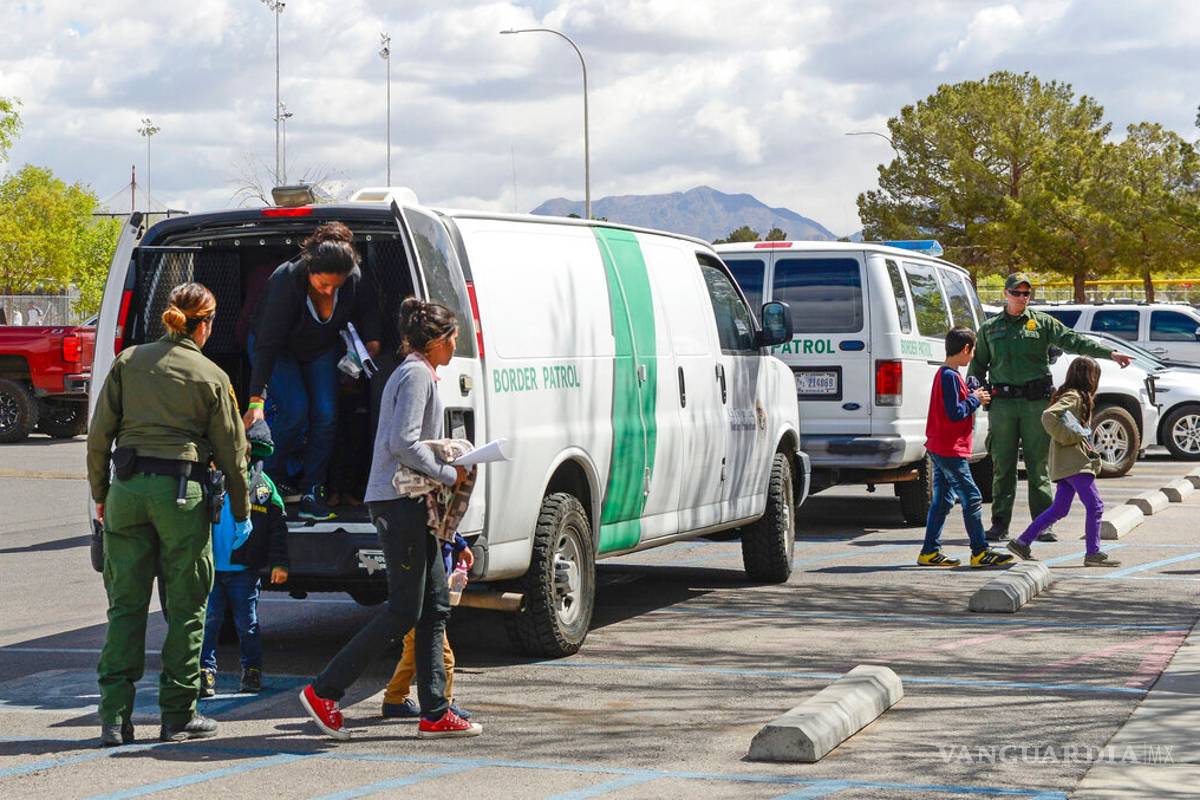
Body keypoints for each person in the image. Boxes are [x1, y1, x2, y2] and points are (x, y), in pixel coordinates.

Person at [299, 297, 482, 740]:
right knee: (404, 610)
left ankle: (435, 711)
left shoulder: (417, 373)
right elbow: (403, 443)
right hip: (401, 503)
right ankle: (324, 691)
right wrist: (448, 472)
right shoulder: (417, 374)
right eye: (453, 337)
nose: (457, 344)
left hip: (411, 503)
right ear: (437, 341)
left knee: (435, 605)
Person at [86, 282, 250, 747]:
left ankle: (114, 719)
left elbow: (99, 438)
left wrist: (102, 494)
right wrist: (240, 510)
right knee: (186, 609)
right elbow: (232, 453)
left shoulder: (128, 361)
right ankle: (178, 714)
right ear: (205, 325)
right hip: (182, 496)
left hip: (128, 492)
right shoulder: (211, 375)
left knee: (124, 607)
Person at [970, 273, 1132, 542]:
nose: (1022, 298)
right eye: (1017, 293)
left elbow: (1074, 340)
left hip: (1036, 403)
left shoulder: (1041, 323)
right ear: (1005, 294)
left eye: (1026, 294)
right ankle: (1000, 523)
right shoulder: (990, 329)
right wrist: (978, 393)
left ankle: (1043, 523)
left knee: (1038, 465)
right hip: (1004, 406)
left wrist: (1110, 354)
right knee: (1003, 466)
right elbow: (977, 367)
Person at [243, 222, 381, 521]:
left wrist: (371, 339)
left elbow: (366, 307)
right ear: (309, 271)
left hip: (318, 347)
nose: (330, 291)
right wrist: (256, 400)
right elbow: (267, 343)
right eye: (322, 285)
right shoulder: (286, 280)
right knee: (294, 410)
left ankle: (311, 489)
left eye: (336, 285)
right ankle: (267, 480)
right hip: (275, 347)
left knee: (326, 414)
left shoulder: (353, 277)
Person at [200, 419, 290, 698]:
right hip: (212, 570)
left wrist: (279, 563)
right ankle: (205, 672)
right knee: (209, 622)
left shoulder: (262, 487)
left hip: (244, 571)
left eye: (245, 453)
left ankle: (251, 670)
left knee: (246, 623)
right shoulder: (208, 481)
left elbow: (277, 527)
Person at [1006, 357, 1121, 567]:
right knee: (1095, 506)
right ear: (1089, 377)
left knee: (1060, 509)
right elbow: (1049, 416)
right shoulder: (1074, 396)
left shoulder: (1076, 396)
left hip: (1068, 463)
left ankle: (1022, 541)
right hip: (1074, 463)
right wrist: (1070, 436)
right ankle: (1093, 553)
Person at [917, 327, 1015, 569]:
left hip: (941, 447)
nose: (972, 357)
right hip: (949, 449)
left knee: (942, 500)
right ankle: (980, 551)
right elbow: (955, 412)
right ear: (965, 350)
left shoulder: (947, 374)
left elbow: (953, 405)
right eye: (972, 352)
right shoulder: (950, 376)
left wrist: (970, 395)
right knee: (972, 497)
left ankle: (929, 551)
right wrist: (975, 399)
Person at [382, 533, 473, 720]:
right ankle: (444, 704)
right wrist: (460, 546)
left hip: (416, 599)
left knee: (411, 654)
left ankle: (394, 699)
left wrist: (460, 548)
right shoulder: (429, 536)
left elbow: (446, 524)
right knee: (444, 657)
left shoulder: (430, 531)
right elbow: (443, 522)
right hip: (423, 602)